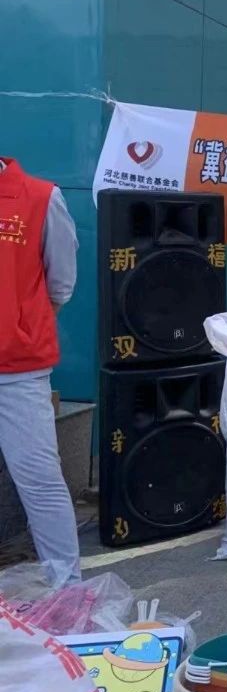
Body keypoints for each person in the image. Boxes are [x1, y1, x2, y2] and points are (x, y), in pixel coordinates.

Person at [0, 157, 80, 585]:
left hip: (16, 369)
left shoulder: (40, 197)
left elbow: (60, 284)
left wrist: (18, 327)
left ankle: (68, 593)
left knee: (39, 480)